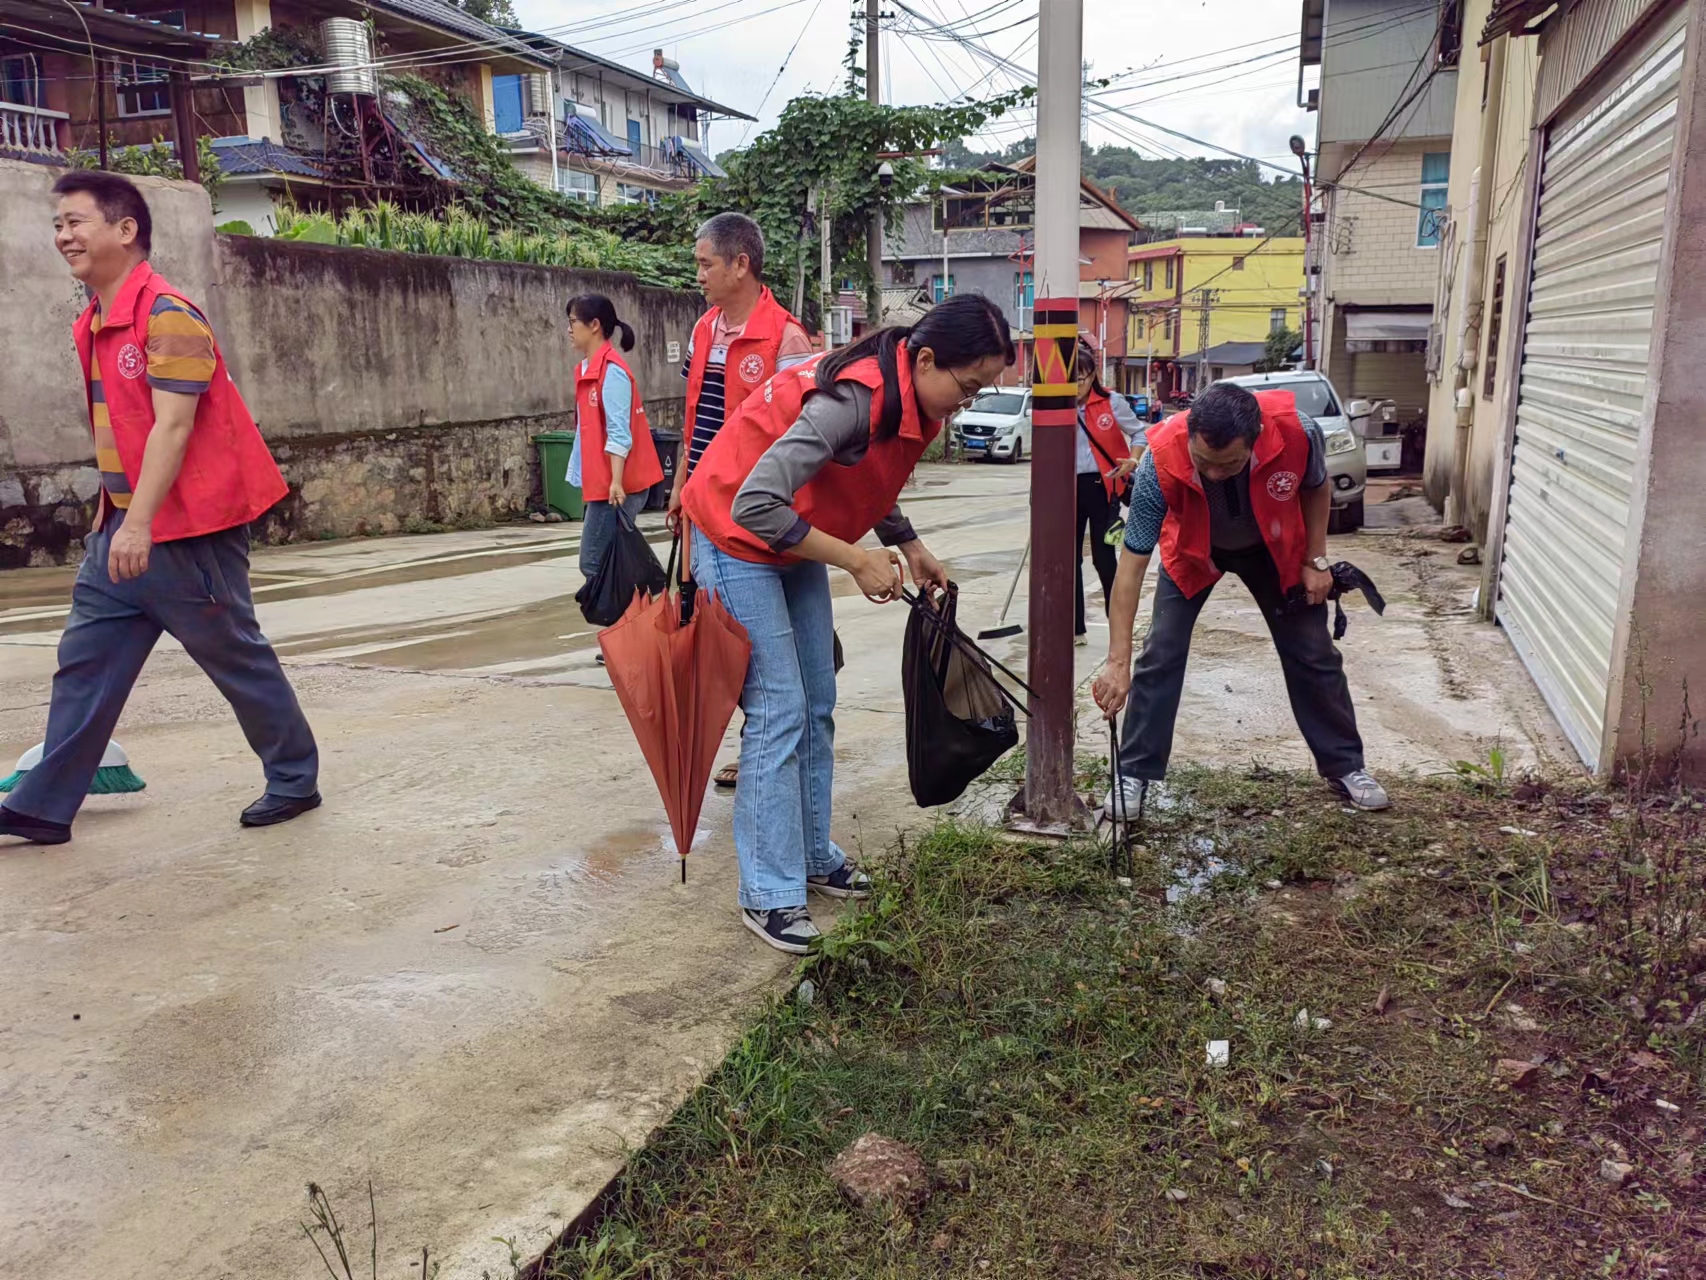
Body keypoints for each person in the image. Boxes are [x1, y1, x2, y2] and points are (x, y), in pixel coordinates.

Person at [680, 294, 1015, 953]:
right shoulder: (853, 399)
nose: (967, 404)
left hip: (792, 538)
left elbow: (869, 475)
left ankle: (810, 853)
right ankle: (768, 895)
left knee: (818, 702)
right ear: (925, 359)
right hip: (735, 534)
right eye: (967, 387)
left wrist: (909, 544)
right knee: (779, 709)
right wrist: (856, 560)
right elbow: (754, 504)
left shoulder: (910, 397)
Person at [0, 171, 319, 846]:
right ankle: (44, 806)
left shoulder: (167, 314)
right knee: (84, 664)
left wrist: (139, 522)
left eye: (76, 222)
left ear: (125, 230)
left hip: (190, 529)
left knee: (235, 656)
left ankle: (294, 778)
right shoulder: (93, 321)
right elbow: (121, 426)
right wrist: (111, 514)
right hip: (121, 528)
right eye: (58, 224)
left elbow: (175, 427)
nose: (63, 236)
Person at [1093, 381, 1389, 815]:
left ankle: (1346, 765)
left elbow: (1317, 488)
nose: (1213, 473)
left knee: (1313, 651)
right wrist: (1117, 660)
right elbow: (1132, 563)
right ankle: (1133, 773)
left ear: (1256, 441)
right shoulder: (1160, 459)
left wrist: (1316, 560)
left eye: (1228, 464)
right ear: (1190, 435)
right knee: (1160, 654)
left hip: (1274, 552)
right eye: (1203, 462)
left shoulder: (1297, 432)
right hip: (1194, 551)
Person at [666, 212, 814, 789]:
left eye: (706, 263)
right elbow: (695, 418)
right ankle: (756, 742)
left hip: (757, 519)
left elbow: (802, 437)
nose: (698, 273)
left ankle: (769, 747)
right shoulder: (705, 329)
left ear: (740, 265)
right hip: (704, 509)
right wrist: (681, 486)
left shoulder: (787, 337)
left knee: (773, 649)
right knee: (722, 638)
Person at [566, 293, 664, 595]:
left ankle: (627, 624)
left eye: (573, 323)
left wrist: (616, 483)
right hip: (605, 481)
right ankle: (631, 623)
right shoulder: (587, 370)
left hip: (620, 484)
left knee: (594, 561)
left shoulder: (613, 372)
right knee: (608, 559)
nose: (569, 330)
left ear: (594, 325)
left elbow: (620, 432)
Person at [1071, 339, 1146, 646]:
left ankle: (1117, 624)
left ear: (1092, 376)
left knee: (1105, 558)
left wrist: (1133, 460)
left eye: (1082, 377)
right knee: (1069, 558)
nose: (1077, 384)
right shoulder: (1058, 408)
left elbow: (1139, 432)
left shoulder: (1112, 403)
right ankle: (1075, 628)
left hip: (1105, 487)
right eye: (1072, 378)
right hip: (1068, 489)